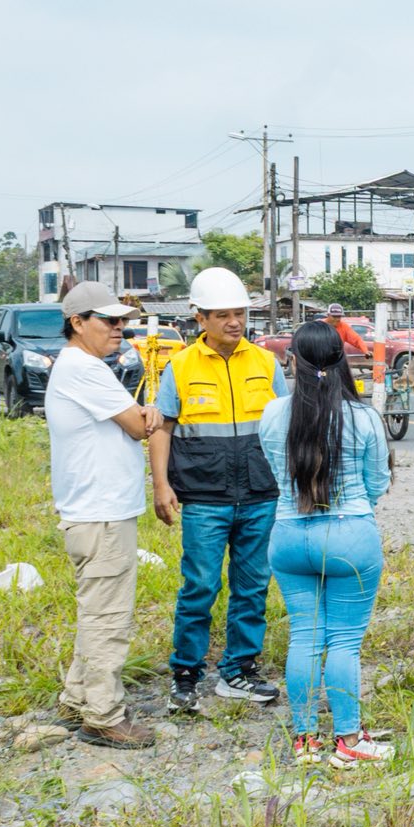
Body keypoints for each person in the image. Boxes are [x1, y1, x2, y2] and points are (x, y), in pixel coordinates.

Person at [257, 321, 395, 766]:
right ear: (342, 359)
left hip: (288, 535)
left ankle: (305, 741)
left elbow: (276, 473)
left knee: (305, 636)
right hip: (349, 534)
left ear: (292, 361)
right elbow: (378, 482)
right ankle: (349, 739)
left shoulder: (272, 414)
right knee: (344, 642)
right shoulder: (363, 417)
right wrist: (355, 506)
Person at [149, 267, 285, 713]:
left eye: (239, 313)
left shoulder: (265, 363)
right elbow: (163, 429)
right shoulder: (181, 365)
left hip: (261, 495)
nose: (234, 322)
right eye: (223, 314)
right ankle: (186, 673)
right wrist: (161, 485)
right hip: (204, 497)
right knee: (200, 586)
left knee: (253, 586)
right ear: (200, 318)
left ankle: (239, 670)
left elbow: (284, 425)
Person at [44, 282, 159, 750]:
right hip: (101, 513)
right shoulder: (85, 368)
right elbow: (137, 426)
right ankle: (103, 715)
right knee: (108, 618)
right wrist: (147, 413)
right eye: (109, 321)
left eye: (122, 321)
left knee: (96, 611)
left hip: (95, 511)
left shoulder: (78, 366)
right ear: (77, 322)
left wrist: (140, 412)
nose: (119, 329)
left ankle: (77, 699)